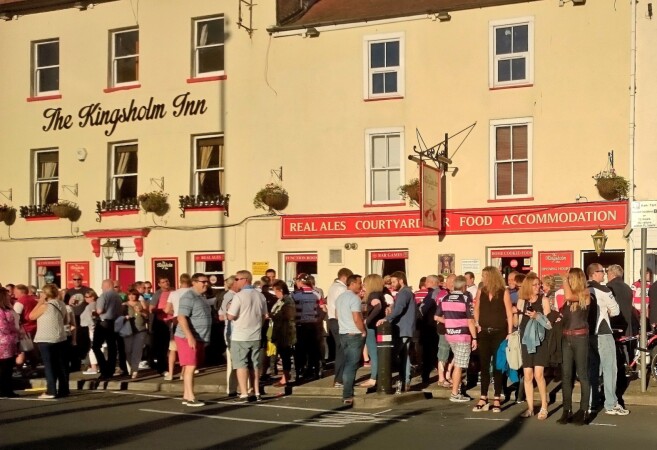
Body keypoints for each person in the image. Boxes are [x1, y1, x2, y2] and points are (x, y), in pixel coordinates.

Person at [587, 264, 628, 416]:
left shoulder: (584, 288)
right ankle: (611, 404)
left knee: (593, 369)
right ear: (594, 273)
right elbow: (615, 310)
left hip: (588, 334)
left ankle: (592, 402)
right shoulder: (604, 290)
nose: (604, 274)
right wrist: (608, 311)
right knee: (610, 368)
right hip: (603, 332)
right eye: (602, 271)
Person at [472, 266, 514, 413]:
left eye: (484, 276)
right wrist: (477, 323)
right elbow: (476, 308)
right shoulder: (481, 290)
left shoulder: (503, 291)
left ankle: (497, 397)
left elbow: (509, 312)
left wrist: (510, 332)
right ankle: (483, 397)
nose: (482, 278)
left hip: (499, 332)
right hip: (484, 332)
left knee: (497, 366)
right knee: (484, 366)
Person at [435, 275, 477, 402]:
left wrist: (449, 322)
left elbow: (436, 317)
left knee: (457, 361)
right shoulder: (465, 299)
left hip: (450, 334)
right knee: (459, 365)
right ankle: (455, 393)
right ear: (464, 286)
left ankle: (455, 389)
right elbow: (470, 320)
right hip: (463, 335)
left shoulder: (445, 298)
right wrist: (474, 337)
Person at [227, 270, 268, 402]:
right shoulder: (260, 296)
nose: (235, 281)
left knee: (241, 364)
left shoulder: (239, 296)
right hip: (255, 335)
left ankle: (244, 393)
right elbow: (265, 315)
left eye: (237, 279)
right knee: (254, 364)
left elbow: (231, 316)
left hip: (240, 335)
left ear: (245, 280)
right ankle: (256, 392)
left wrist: (228, 310)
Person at [515, 273, 551, 420]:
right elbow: (517, 323)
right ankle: (530, 408)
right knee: (528, 375)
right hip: (526, 341)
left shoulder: (544, 300)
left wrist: (537, 316)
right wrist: (514, 313)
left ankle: (544, 406)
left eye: (539, 284)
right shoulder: (522, 301)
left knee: (539, 375)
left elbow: (549, 323)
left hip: (540, 341)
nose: (538, 287)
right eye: (535, 285)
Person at [558, 268, 591, 425]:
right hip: (567, 337)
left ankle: (584, 410)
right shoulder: (569, 299)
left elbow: (569, 296)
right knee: (566, 375)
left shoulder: (586, 294)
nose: (568, 281)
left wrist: (564, 280)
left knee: (582, 374)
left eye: (570, 278)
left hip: (580, 337)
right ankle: (567, 409)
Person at [174, 273, 213, 407]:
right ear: (194, 282)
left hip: (199, 337)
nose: (206, 284)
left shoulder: (201, 296)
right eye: (203, 282)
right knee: (190, 366)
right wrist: (189, 336)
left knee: (190, 367)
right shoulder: (188, 296)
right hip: (187, 337)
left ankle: (186, 395)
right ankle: (191, 397)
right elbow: (181, 317)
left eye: (207, 282)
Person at [377, 271, 416, 393]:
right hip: (406, 328)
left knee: (393, 355)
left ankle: (400, 380)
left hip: (402, 329)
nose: (392, 284)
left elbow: (399, 309)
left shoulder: (404, 293)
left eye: (394, 282)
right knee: (405, 356)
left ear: (401, 280)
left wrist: (386, 318)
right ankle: (405, 381)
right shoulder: (407, 292)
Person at [29, 284, 70, 399]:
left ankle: (51, 391)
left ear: (45, 294)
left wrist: (40, 302)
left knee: (49, 366)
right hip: (60, 337)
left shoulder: (45, 305)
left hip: (46, 338)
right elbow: (65, 320)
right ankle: (64, 389)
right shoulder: (61, 304)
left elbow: (31, 316)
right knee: (61, 365)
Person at [335, 274, 366, 406]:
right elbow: (356, 318)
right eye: (359, 283)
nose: (361, 285)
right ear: (352, 283)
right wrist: (363, 330)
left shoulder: (340, 298)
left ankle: (347, 391)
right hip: (354, 333)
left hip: (343, 332)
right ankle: (347, 394)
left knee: (348, 362)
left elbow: (337, 315)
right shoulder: (354, 298)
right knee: (351, 365)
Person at [292, 273, 322, 381]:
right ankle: (314, 371)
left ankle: (299, 371)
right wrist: (318, 319)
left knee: (300, 350)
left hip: (300, 325)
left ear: (300, 281)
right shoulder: (316, 294)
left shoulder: (295, 295)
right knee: (313, 349)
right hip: (313, 325)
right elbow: (323, 308)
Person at [326, 268, 353, 388]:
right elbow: (342, 306)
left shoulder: (332, 287)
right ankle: (339, 379)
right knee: (342, 350)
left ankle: (339, 378)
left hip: (332, 320)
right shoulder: (342, 289)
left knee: (340, 349)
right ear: (344, 277)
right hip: (339, 321)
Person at [92, 279, 123, 380]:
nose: (101, 288)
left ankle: (104, 368)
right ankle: (110, 369)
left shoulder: (104, 296)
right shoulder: (118, 297)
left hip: (104, 322)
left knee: (96, 346)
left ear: (106, 286)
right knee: (112, 347)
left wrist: (94, 313)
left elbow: (100, 310)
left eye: (102, 286)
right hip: (115, 323)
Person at [359, 274, 387, 388]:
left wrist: (367, 320)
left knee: (373, 353)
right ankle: (377, 376)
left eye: (365, 283)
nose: (363, 285)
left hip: (371, 328)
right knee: (376, 353)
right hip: (377, 327)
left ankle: (373, 378)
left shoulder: (373, 295)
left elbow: (378, 306)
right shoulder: (380, 294)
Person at [218, 276, 243, 396]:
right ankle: (232, 388)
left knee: (236, 360)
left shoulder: (233, 295)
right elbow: (222, 315)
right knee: (233, 361)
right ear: (233, 284)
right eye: (237, 281)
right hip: (231, 331)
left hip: (234, 331)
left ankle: (236, 387)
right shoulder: (230, 296)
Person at [164, 274, 192, 381]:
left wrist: (175, 311)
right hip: (189, 320)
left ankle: (171, 374)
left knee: (173, 349)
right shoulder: (192, 293)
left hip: (176, 320)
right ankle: (183, 374)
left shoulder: (173, 293)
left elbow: (167, 310)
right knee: (186, 348)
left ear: (180, 281)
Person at [270, 280, 296, 387]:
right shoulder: (281, 300)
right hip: (279, 331)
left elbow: (289, 315)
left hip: (285, 332)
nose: (275, 293)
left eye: (275, 291)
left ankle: (285, 377)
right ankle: (285, 376)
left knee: (285, 355)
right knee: (282, 354)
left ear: (280, 290)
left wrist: (273, 316)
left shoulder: (287, 300)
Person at [149, 277, 173, 375]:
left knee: (172, 346)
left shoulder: (173, 292)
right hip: (162, 323)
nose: (166, 283)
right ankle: (162, 368)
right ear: (159, 284)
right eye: (163, 282)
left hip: (174, 321)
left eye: (167, 281)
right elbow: (151, 309)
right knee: (162, 347)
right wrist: (163, 310)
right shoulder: (158, 294)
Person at [122, 289, 149, 379]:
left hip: (140, 330)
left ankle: (135, 370)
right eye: (130, 294)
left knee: (137, 351)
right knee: (128, 350)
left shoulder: (141, 303)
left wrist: (141, 312)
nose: (131, 296)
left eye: (133, 295)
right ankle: (131, 367)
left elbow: (147, 316)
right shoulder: (124, 305)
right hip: (128, 331)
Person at [418, 275, 439, 384]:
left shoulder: (432, 294)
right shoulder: (441, 292)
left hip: (429, 327)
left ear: (432, 282)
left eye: (427, 281)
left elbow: (423, 309)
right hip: (436, 326)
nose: (425, 283)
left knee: (427, 353)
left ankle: (425, 376)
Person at [0, 287, 20, 398]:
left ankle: (7, 389)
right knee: (5, 368)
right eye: (6, 296)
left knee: (8, 368)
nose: (9, 297)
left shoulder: (7, 309)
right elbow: (3, 327)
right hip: (3, 343)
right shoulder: (1, 311)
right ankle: (5, 390)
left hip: (9, 342)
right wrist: (14, 330)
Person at [81, 290, 101, 375]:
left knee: (92, 348)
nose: (85, 298)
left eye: (87, 297)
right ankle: (98, 366)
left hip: (91, 329)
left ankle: (94, 367)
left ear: (93, 297)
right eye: (85, 297)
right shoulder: (96, 304)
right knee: (99, 347)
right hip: (95, 328)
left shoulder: (91, 305)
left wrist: (92, 327)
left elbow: (92, 317)